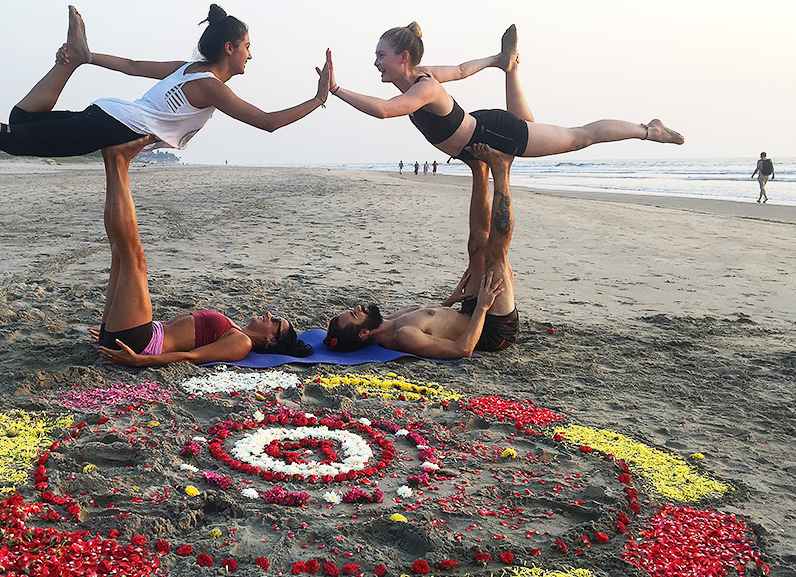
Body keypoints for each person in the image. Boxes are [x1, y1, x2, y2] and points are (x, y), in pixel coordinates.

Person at [0, 5, 329, 165]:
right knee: (12, 137)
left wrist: (86, 56)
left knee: (24, 120)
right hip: (110, 124)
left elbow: (128, 64)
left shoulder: (186, 69)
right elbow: (266, 123)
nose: (251, 54)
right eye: (248, 46)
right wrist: (317, 98)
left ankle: (69, 62)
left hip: (109, 115)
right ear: (229, 47)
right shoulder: (208, 84)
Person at [321, 24, 684, 162]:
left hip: (492, 132)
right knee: (530, 124)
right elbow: (463, 70)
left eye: (380, 56)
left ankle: (648, 130)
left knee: (578, 138)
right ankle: (510, 67)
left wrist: (335, 89)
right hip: (484, 128)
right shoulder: (425, 77)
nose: (376, 63)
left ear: (403, 57)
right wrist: (495, 58)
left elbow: (386, 110)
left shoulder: (425, 86)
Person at [92, 137, 305, 367]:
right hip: (131, 334)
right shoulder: (234, 329)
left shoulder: (241, 344)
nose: (269, 314)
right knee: (119, 254)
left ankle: (119, 160)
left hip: (142, 344)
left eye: (275, 322)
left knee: (133, 257)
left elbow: (191, 358)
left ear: (271, 340)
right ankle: (111, 159)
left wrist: (141, 361)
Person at [325, 143, 517, 358]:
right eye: (354, 314)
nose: (359, 307)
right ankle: (502, 168)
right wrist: (482, 307)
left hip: (469, 311)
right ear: (364, 333)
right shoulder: (403, 336)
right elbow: (462, 349)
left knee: (476, 246)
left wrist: (449, 301)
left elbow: (429, 316)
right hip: (492, 328)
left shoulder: (387, 320)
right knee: (494, 253)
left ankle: (479, 169)